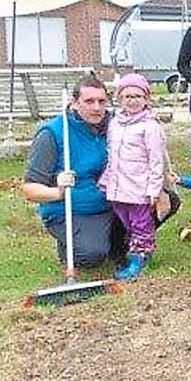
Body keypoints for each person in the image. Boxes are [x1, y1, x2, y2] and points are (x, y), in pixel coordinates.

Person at [22, 76, 119, 268]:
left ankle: (119, 247)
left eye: (101, 102)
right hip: (72, 210)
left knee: (166, 200)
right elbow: (29, 188)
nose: (97, 108)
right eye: (89, 102)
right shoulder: (52, 134)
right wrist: (57, 191)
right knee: (91, 256)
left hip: (112, 204)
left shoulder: (115, 127)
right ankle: (75, 247)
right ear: (75, 103)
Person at [97, 74, 167, 281]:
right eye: (127, 96)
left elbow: (156, 160)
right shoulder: (115, 124)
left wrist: (155, 188)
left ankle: (141, 255)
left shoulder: (150, 127)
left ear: (146, 99)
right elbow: (112, 153)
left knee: (140, 222)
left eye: (137, 96)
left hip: (139, 185)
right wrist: (107, 178)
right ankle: (135, 249)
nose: (133, 100)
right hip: (118, 185)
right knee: (126, 221)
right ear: (119, 99)